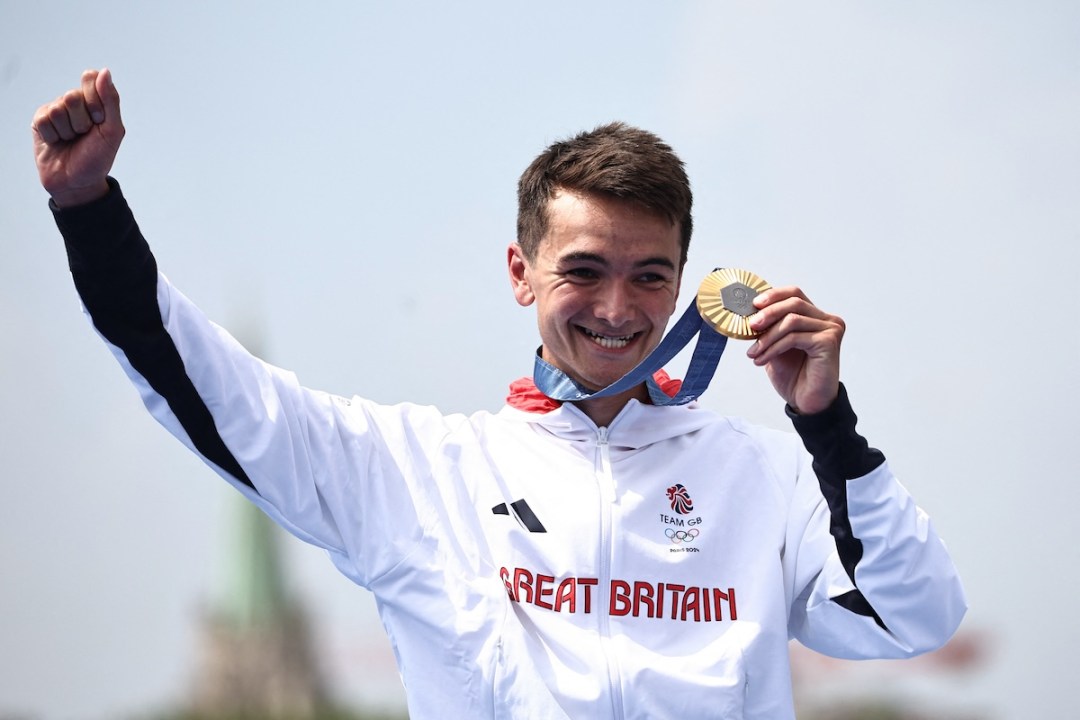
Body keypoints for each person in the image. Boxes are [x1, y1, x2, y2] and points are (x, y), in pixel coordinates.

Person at [33, 69, 966, 719]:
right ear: (521, 273)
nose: (616, 307)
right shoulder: (416, 470)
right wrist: (90, 211)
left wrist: (828, 427)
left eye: (651, 275)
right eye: (585, 269)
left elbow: (913, 614)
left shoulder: (766, 475)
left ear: (684, 287)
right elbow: (205, 388)